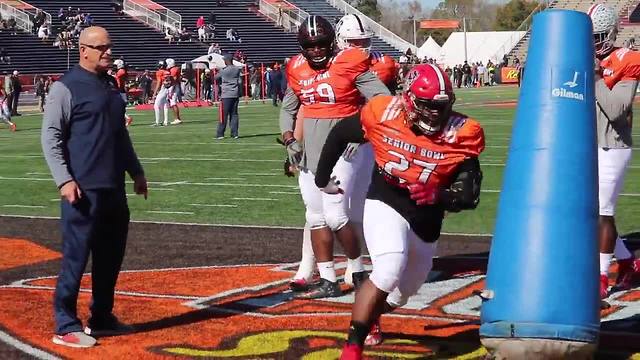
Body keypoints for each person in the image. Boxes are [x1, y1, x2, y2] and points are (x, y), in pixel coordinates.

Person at [314, 64, 485, 359]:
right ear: (409, 99)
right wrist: (321, 178)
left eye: (440, 106)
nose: (434, 113)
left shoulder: (463, 133)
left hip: (427, 216)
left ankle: (373, 316)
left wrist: (440, 194)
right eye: (428, 105)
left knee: (404, 291)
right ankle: (352, 348)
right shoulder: (383, 113)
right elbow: (340, 133)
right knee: (389, 265)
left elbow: (470, 196)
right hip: (387, 199)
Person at [41, 26, 148, 348]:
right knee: (76, 258)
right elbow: (51, 137)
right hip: (82, 190)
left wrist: (136, 172)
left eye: (109, 47)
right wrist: (65, 179)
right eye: (100, 48)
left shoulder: (110, 87)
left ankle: (101, 317)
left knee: (110, 257)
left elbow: (120, 135)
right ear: (83, 50)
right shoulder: (65, 87)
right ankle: (65, 324)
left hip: (113, 187)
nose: (108, 53)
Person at [280, 15, 390, 300]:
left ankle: (357, 269)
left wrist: (362, 133)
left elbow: (382, 101)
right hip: (311, 151)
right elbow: (288, 108)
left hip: (344, 148)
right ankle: (328, 278)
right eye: (310, 45)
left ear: (332, 43)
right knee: (315, 216)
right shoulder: (296, 67)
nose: (316, 50)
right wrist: (289, 139)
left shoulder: (349, 63)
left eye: (321, 44)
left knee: (336, 214)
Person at [588, 4, 640, 298]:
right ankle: (627, 262)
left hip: (613, 145)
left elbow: (617, 109)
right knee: (595, 210)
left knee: (603, 212)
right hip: (590, 145)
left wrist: (595, 77)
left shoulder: (627, 60)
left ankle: (600, 278)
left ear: (608, 34)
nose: (591, 43)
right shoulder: (585, 58)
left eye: (595, 36)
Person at [215, 54, 242, 139]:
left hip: (226, 94)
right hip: (235, 93)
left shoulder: (224, 70)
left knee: (223, 115)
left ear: (227, 60)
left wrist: (216, 70)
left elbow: (216, 77)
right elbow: (240, 81)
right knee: (234, 114)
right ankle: (235, 133)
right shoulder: (237, 69)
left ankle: (220, 133)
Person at [114, 59, 133, 127]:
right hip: (120, 91)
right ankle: (125, 119)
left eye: (115, 65)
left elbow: (117, 79)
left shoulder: (121, 71)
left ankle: (127, 118)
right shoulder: (121, 71)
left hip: (120, 91)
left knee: (116, 107)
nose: (114, 67)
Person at [166, 58, 183, 124]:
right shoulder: (174, 69)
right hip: (175, 86)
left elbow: (174, 80)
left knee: (173, 103)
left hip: (174, 87)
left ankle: (177, 119)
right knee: (172, 103)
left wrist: (171, 89)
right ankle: (177, 118)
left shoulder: (173, 69)